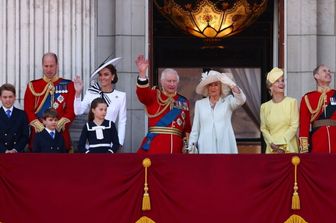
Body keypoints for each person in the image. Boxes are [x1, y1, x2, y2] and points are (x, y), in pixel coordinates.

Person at [135, 55, 191, 154]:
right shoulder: (154, 95)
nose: (172, 84)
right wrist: (142, 74)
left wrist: (186, 146)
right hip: (156, 146)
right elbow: (142, 95)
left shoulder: (183, 102)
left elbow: (186, 128)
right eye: (169, 81)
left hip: (176, 148)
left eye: (174, 81)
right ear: (162, 82)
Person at [24, 52, 76, 152]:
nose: (49, 69)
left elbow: (71, 110)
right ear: (42, 66)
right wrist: (40, 127)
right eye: (46, 66)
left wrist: (58, 124)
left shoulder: (68, 85)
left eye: (51, 66)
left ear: (57, 65)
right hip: (38, 135)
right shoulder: (33, 85)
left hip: (60, 134)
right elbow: (28, 110)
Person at [188, 70, 246, 154]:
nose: (213, 88)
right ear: (207, 88)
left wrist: (232, 84)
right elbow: (195, 130)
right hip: (205, 147)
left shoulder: (228, 101)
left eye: (216, 85)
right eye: (210, 85)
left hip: (225, 146)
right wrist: (191, 148)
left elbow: (241, 100)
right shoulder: (199, 104)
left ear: (221, 87)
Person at [73, 57, 126, 147]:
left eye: (106, 74)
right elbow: (78, 111)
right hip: (92, 142)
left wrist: (119, 143)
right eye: (100, 75)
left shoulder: (121, 96)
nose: (102, 78)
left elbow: (122, 121)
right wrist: (77, 93)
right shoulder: (91, 92)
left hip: (111, 142)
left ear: (112, 77)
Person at [260, 67, 299, 154]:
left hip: (289, 148)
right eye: (277, 81)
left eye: (282, 80)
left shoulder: (292, 102)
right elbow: (264, 129)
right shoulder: (264, 107)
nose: (281, 83)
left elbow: (294, 126)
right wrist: (271, 143)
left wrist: (282, 144)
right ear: (270, 86)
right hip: (272, 149)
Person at [299, 64, 336, 153]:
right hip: (318, 142)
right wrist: (304, 150)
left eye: (329, 71)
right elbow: (304, 126)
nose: (328, 73)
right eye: (324, 71)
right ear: (316, 76)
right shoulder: (308, 98)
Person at [0, 83, 29, 153]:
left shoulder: (22, 114)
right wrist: (4, 150)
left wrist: (15, 149)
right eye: (5, 97)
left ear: (15, 97)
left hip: (17, 153)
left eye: (10, 97)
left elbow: (25, 136)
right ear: (0, 98)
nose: (8, 100)